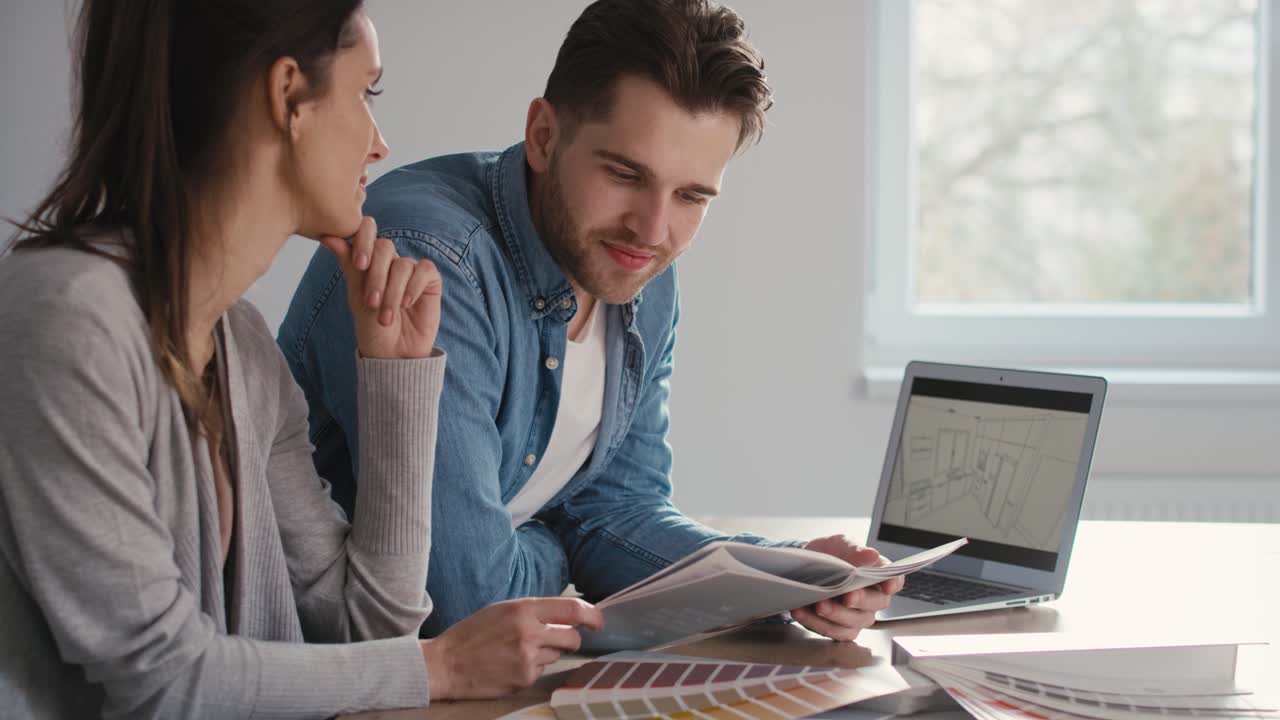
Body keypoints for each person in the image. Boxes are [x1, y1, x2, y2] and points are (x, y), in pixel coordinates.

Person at [0, 1, 602, 717]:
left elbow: (365, 628)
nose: (379, 143)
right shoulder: (68, 316)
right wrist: (439, 666)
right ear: (288, 95)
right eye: (365, 92)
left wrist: (398, 382)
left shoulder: (241, 347)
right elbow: (159, 677)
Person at [278, 0, 903, 642]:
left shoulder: (638, 266)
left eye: (691, 196)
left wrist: (784, 578)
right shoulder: (432, 260)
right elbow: (463, 603)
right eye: (626, 174)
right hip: (346, 680)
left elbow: (617, 512)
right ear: (544, 136)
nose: (654, 229)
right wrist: (563, 542)